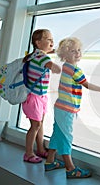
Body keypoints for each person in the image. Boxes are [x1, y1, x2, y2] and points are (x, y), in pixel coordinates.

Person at [44, 37, 100, 178]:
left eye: (78, 50)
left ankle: (50, 161)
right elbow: (87, 85)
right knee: (66, 137)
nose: (77, 53)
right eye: (72, 51)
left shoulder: (66, 66)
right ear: (64, 55)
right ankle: (70, 168)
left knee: (57, 134)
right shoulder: (74, 70)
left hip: (60, 107)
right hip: (67, 109)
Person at [22, 29, 61, 163]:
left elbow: (50, 52)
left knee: (39, 124)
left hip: (40, 96)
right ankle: (28, 153)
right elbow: (55, 68)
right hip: (35, 97)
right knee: (36, 125)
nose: (52, 42)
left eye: (52, 39)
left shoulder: (35, 55)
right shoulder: (42, 57)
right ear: (38, 43)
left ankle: (40, 149)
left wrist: (59, 51)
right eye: (48, 39)